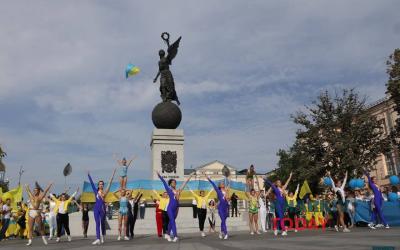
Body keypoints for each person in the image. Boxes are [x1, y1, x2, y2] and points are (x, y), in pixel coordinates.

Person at [156, 171, 194, 242]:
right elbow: (164, 182)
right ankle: (175, 236)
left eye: (175, 182)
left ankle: (167, 234)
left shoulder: (178, 191)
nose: (174, 183)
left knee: (171, 221)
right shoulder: (169, 190)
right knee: (173, 221)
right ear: (170, 184)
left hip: (176, 209)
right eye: (173, 182)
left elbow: (185, 183)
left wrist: (190, 176)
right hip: (170, 208)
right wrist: (159, 175)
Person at [88, 168, 116, 245]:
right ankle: (98, 238)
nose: (101, 185)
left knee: (102, 223)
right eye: (100, 184)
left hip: (103, 209)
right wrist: (89, 175)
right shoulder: (95, 191)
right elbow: (91, 183)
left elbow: (110, 183)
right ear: (98, 185)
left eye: (102, 184)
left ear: (103, 185)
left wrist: (112, 175)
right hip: (96, 209)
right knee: (97, 223)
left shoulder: (105, 192)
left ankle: (102, 236)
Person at [264, 172, 293, 236]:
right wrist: (265, 179)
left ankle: (276, 229)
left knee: (281, 217)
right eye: (278, 182)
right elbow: (270, 183)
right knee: (280, 217)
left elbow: (287, 182)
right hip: (277, 204)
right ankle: (284, 230)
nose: (279, 183)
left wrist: (290, 176)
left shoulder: (283, 188)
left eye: (280, 182)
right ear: (277, 184)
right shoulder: (275, 188)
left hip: (283, 204)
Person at [206, 175, 230, 240]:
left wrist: (227, 194)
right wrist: (208, 179)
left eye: (223, 183)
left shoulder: (227, 191)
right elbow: (213, 184)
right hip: (221, 208)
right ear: (219, 186)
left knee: (223, 221)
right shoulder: (218, 191)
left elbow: (228, 200)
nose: (223, 184)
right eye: (221, 183)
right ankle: (226, 233)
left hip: (226, 207)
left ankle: (221, 232)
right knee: (223, 220)